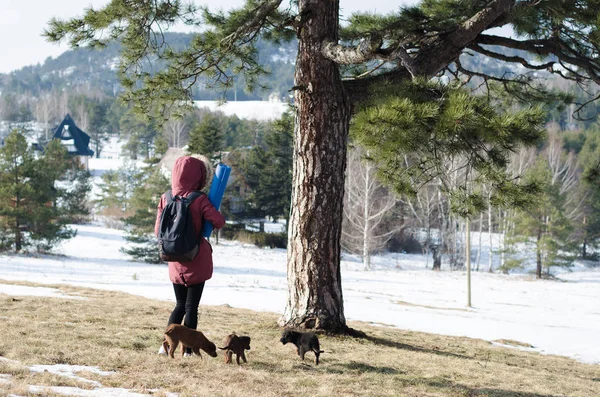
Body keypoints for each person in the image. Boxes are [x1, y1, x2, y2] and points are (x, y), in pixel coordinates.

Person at [155, 155, 225, 355]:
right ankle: (188, 351)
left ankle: (165, 346)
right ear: (200, 176)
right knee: (191, 307)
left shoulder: (165, 197)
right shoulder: (199, 199)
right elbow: (218, 221)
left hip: (174, 259)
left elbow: (157, 230)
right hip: (196, 259)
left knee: (179, 305)